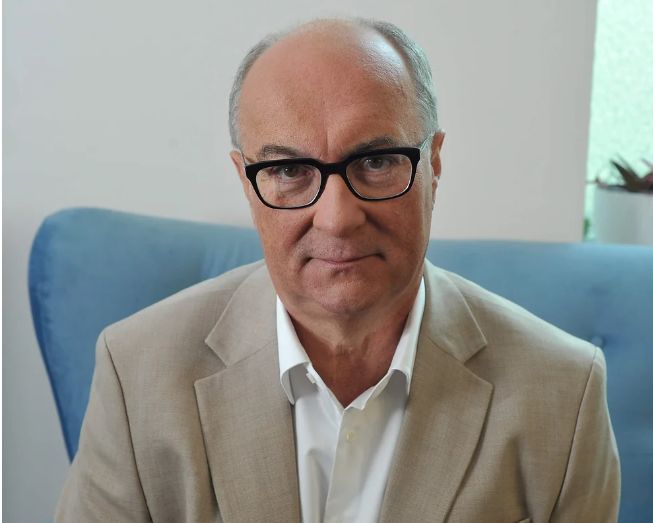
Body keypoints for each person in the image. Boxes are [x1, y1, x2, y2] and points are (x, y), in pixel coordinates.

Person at [55, 17, 620, 523]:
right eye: (289, 170)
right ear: (246, 183)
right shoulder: (137, 373)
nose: (337, 217)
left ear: (434, 164)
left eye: (376, 161)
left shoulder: (563, 392)